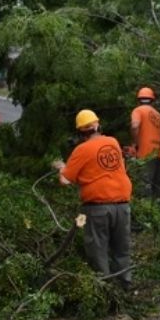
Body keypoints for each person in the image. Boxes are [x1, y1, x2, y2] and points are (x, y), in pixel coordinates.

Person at [52, 109, 133, 289]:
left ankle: (105, 290)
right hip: (122, 204)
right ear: (97, 125)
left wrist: (61, 167)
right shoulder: (113, 142)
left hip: (97, 208)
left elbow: (65, 180)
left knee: (98, 250)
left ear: (80, 131)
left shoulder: (81, 149)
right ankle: (125, 286)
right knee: (121, 248)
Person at [130, 87, 160, 196]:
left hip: (146, 153)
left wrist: (135, 144)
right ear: (152, 100)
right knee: (157, 186)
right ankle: (158, 209)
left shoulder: (138, 110)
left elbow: (135, 125)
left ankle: (146, 211)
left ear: (139, 100)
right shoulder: (159, 116)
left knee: (145, 184)